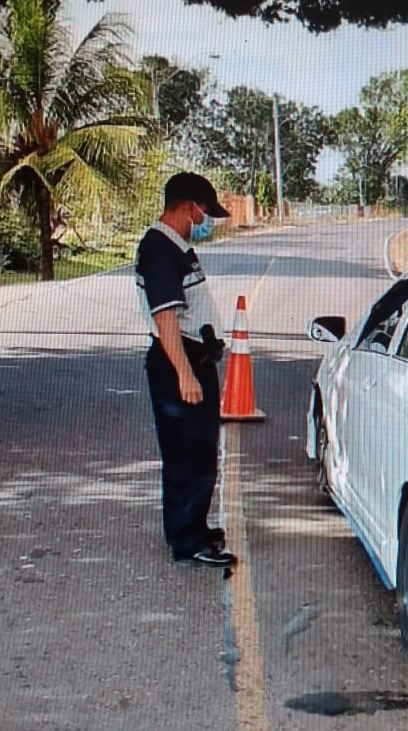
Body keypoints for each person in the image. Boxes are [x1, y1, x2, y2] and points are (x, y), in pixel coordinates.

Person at [135, 172, 236, 567]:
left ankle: (192, 525)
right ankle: (186, 540)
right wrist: (184, 374)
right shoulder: (161, 250)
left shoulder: (173, 247)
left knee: (199, 450)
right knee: (188, 453)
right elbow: (166, 322)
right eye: (204, 211)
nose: (205, 219)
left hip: (193, 356)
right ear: (187, 206)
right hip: (179, 359)